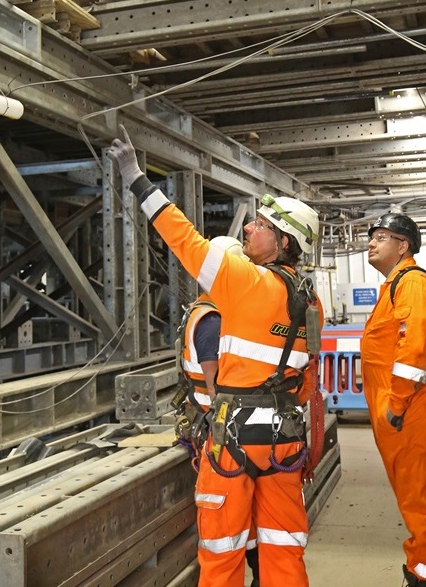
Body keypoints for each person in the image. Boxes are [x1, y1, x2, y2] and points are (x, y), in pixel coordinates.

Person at [108, 125, 322, 587]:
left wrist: (137, 179)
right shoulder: (309, 300)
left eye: (262, 225)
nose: (248, 226)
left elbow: (183, 238)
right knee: (283, 550)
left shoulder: (248, 283)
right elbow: (308, 380)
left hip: (235, 440)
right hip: (285, 440)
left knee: (222, 553)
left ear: (284, 243)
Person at [360, 213, 426, 587]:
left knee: (421, 503)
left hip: (412, 413)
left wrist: (396, 406)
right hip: (402, 415)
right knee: (417, 500)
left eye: (381, 237)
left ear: (403, 246)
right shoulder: (394, 285)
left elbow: (413, 350)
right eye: (371, 237)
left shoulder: (412, 284)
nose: (371, 242)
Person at [173, 235, 260, 587]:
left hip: (218, 430)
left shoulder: (205, 311)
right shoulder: (212, 321)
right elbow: (216, 386)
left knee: (245, 523)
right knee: (232, 525)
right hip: (221, 434)